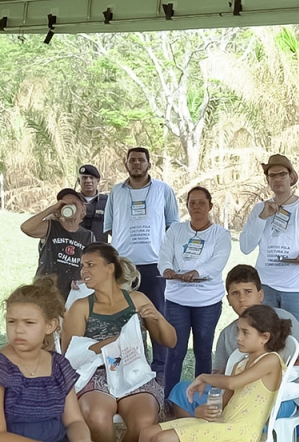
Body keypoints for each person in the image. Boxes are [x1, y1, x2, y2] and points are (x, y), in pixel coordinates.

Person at [61, 242, 177, 442]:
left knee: (144, 420)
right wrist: (112, 343)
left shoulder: (137, 300)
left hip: (134, 371)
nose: (83, 271)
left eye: (90, 265)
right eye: (82, 266)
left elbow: (170, 341)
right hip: (96, 375)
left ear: (110, 268)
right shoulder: (81, 307)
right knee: (97, 417)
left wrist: (158, 317)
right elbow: (70, 356)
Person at [167, 264, 299, 420]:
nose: (242, 299)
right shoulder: (227, 334)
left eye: (248, 292)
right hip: (234, 391)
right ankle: (197, 432)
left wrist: (259, 380)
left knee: (246, 407)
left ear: (261, 295)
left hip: (277, 396)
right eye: (235, 293)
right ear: (228, 299)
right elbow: (220, 375)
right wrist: (230, 372)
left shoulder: (284, 319)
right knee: (181, 391)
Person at [139, 305, 290, 442]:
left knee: (162, 439)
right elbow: (222, 404)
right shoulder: (241, 364)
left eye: (245, 332)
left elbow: (232, 382)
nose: (238, 337)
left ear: (265, 337)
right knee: (147, 433)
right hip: (223, 423)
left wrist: (204, 377)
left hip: (241, 432)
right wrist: (203, 410)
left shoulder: (272, 360)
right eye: (238, 330)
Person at [0, 276, 91, 442]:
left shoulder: (59, 365)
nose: (19, 330)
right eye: (12, 322)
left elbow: (74, 421)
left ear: (50, 326)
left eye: (29, 323)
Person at [104, 147, 180, 380]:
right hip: (123, 266)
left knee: (154, 314)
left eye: (141, 160)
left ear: (149, 164)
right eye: (132, 160)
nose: (136, 164)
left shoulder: (163, 190)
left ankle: (159, 371)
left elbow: (172, 226)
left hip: (154, 264)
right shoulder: (116, 192)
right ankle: (132, 364)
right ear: (126, 164)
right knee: (124, 317)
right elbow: (109, 227)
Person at [239, 154, 299, 325]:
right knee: (264, 341)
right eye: (272, 176)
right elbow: (245, 247)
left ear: (291, 177)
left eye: (282, 174)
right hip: (264, 287)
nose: (277, 179)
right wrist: (262, 217)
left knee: (297, 341)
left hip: (297, 288)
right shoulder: (260, 209)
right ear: (268, 180)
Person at [158, 186, 232, 398]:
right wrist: (167, 270)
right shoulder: (175, 230)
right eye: (192, 203)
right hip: (176, 300)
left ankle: (200, 399)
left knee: (203, 351)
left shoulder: (221, 234)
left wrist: (197, 271)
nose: (196, 207)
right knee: (176, 350)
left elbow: (218, 263)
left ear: (210, 205)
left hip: (207, 301)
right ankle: (170, 400)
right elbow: (164, 255)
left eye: (201, 203)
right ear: (187, 205)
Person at [21, 188, 94, 300]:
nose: (70, 207)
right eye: (64, 204)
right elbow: (26, 228)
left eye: (74, 204)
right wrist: (52, 209)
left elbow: (93, 264)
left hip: (73, 295)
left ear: (83, 209)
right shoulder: (50, 227)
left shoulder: (88, 236)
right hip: (45, 292)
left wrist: (83, 280)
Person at [78, 164, 108, 243]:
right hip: (75, 248)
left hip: (99, 249)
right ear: (78, 181)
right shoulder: (72, 201)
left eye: (91, 178)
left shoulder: (107, 202)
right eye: (84, 178)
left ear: (98, 181)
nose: (88, 181)